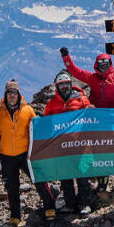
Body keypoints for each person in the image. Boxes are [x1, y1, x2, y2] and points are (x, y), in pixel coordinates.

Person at [60, 46, 114, 192]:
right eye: (100, 63)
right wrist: (66, 58)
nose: (103, 65)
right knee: (99, 151)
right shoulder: (92, 78)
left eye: (105, 62)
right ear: (96, 64)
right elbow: (75, 71)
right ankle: (102, 182)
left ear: (110, 63)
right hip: (96, 122)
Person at [0, 79, 57, 225]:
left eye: (14, 92)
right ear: (5, 95)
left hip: (26, 154)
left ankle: (50, 207)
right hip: (7, 156)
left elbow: (36, 128)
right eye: (9, 93)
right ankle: (15, 216)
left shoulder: (28, 110)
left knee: (38, 179)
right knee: (11, 187)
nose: (12, 95)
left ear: (19, 94)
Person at [43, 69, 94, 215]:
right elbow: (46, 122)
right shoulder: (52, 103)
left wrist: (92, 110)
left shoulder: (82, 99)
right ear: (57, 87)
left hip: (81, 145)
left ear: (71, 84)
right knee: (66, 176)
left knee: (82, 175)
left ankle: (85, 204)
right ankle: (70, 204)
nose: (64, 87)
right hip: (62, 147)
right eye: (61, 84)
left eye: (67, 84)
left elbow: (91, 118)